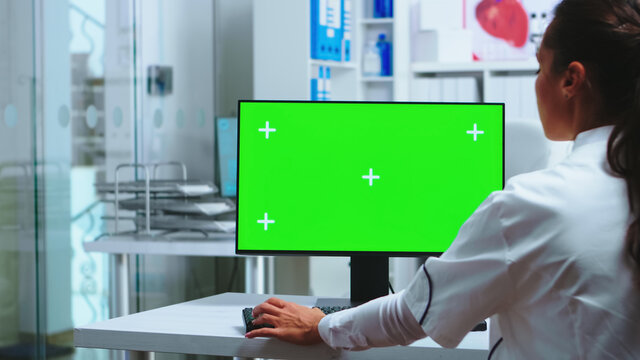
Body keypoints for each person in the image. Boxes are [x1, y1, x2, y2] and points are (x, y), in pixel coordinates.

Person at [245, 0, 640, 357]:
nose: (536, 82)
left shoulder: (536, 203)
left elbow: (414, 313)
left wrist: (322, 325)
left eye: (540, 67)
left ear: (571, 80)